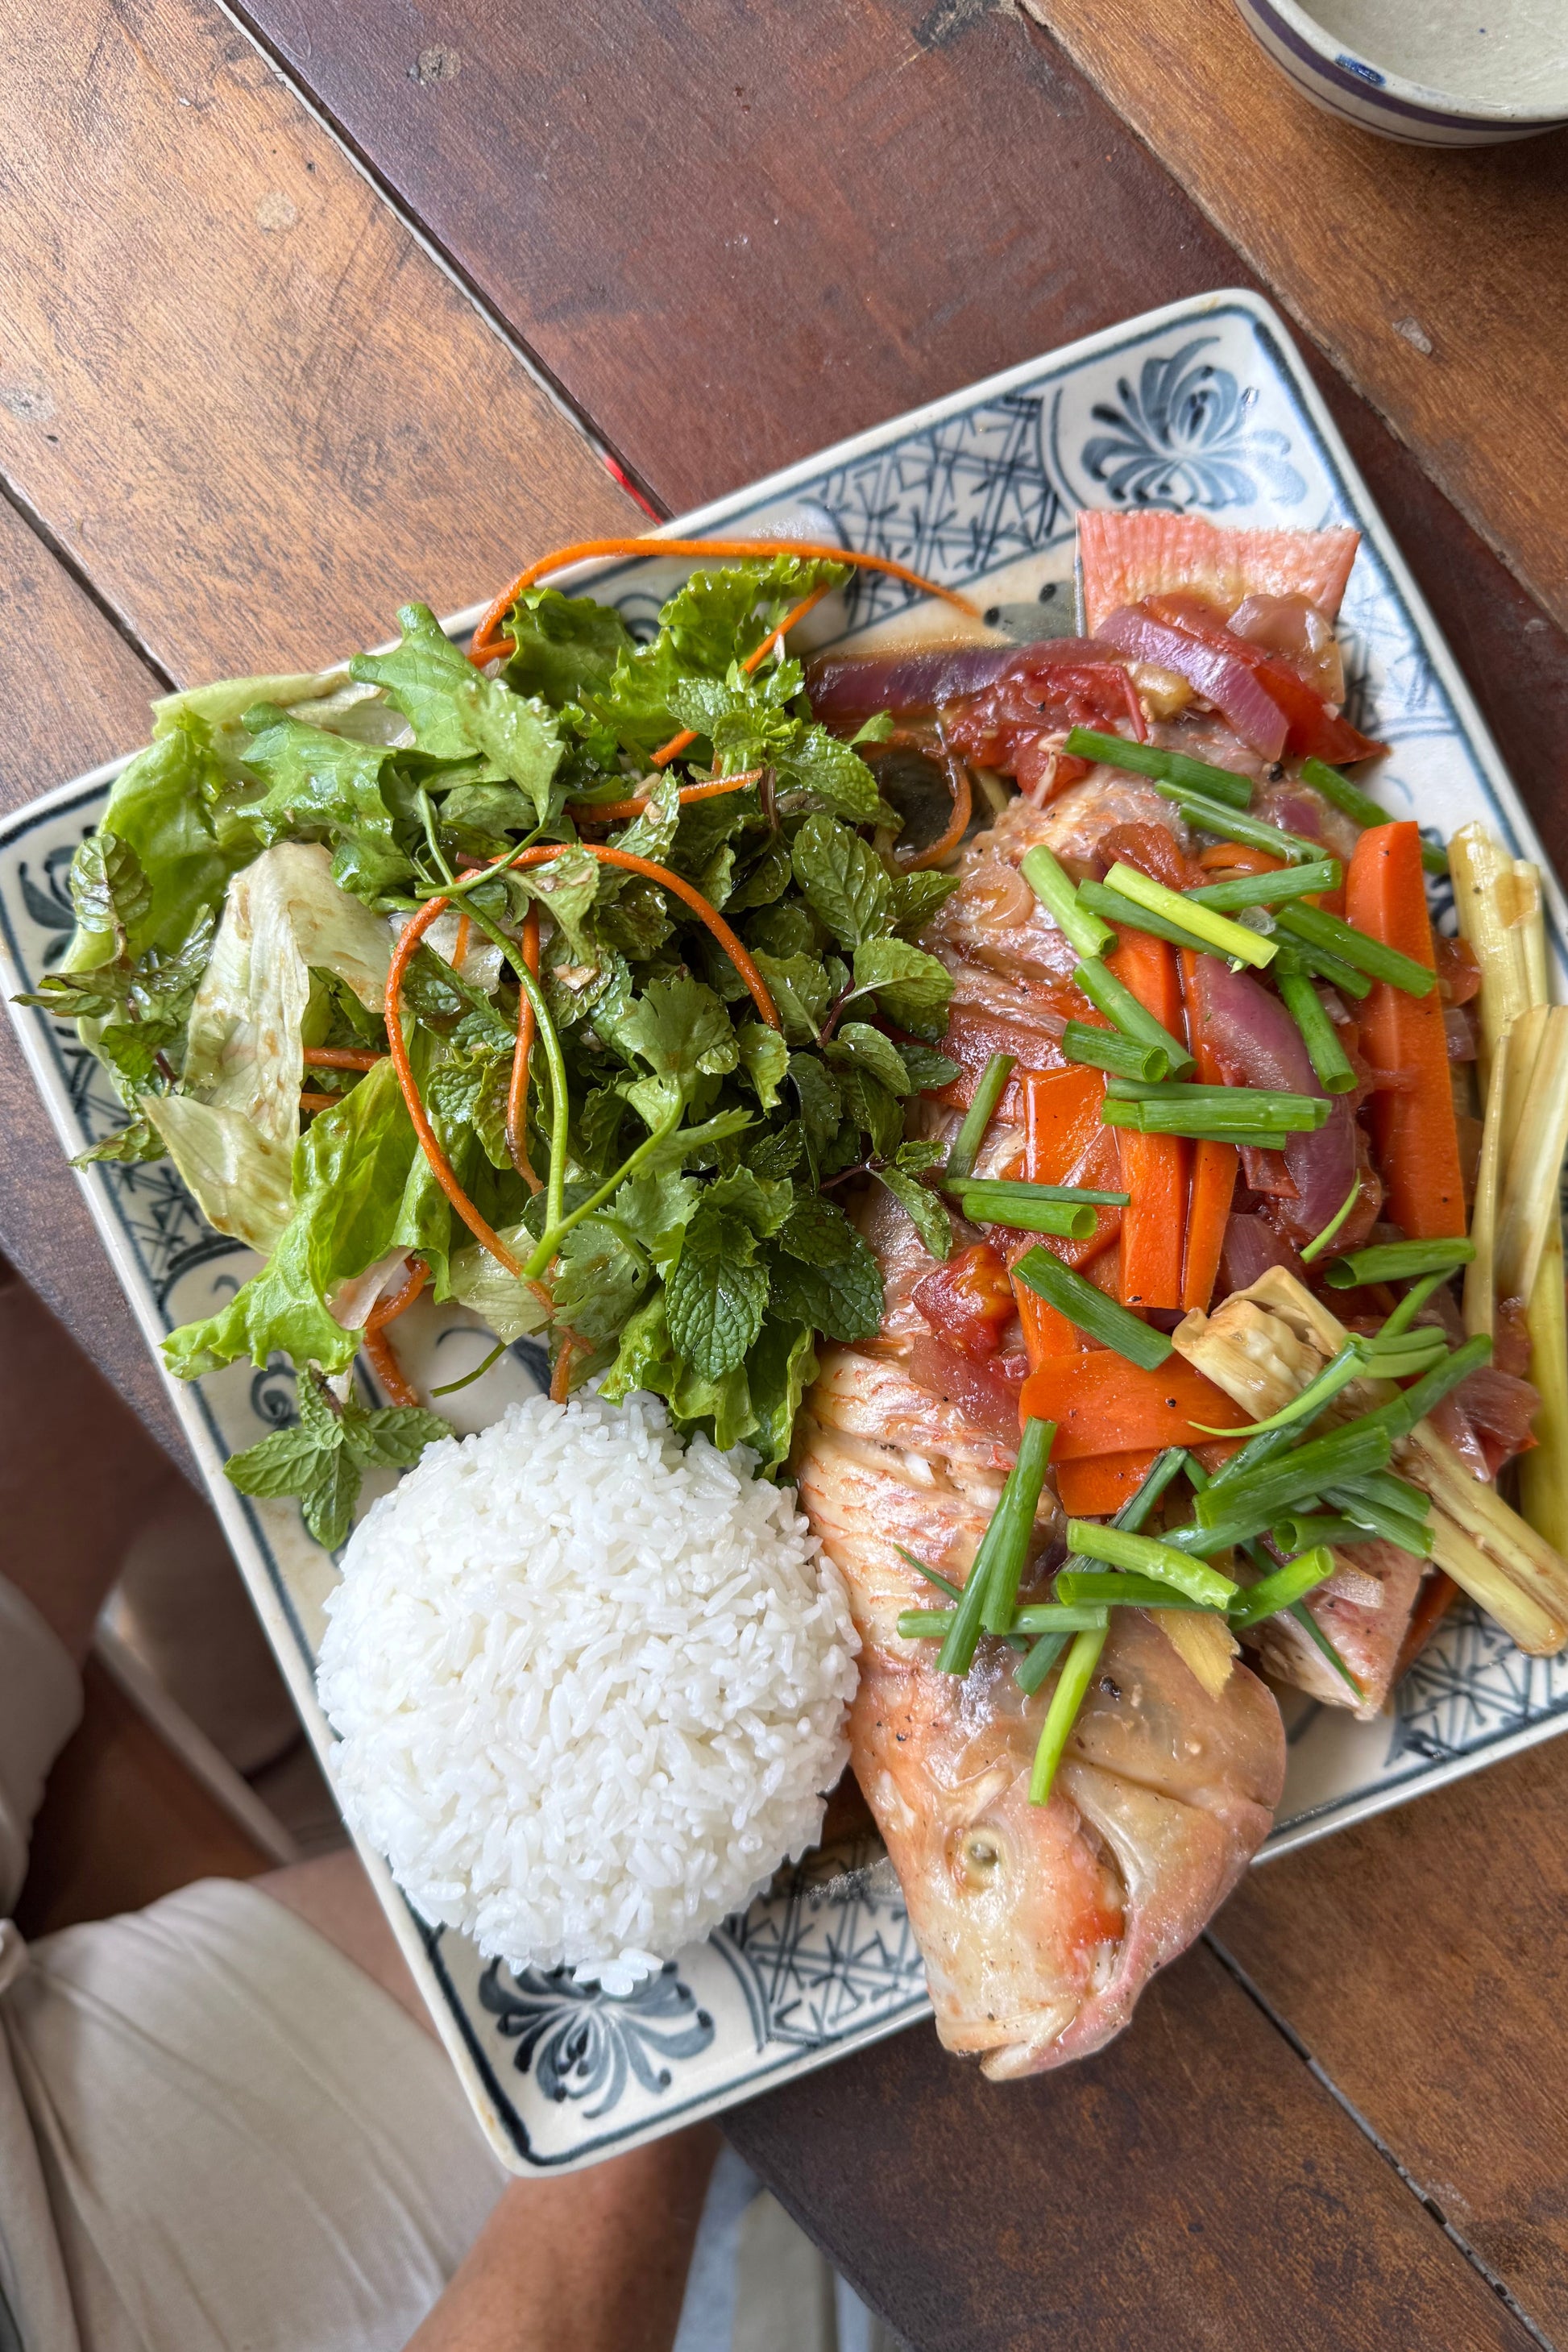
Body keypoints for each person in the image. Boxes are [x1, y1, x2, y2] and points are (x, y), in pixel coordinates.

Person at [0, 1267, 718, 2352]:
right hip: (86, 2284)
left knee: (58, 1285)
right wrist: (690, 1965)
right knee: (634, 1919)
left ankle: (263, 1720)